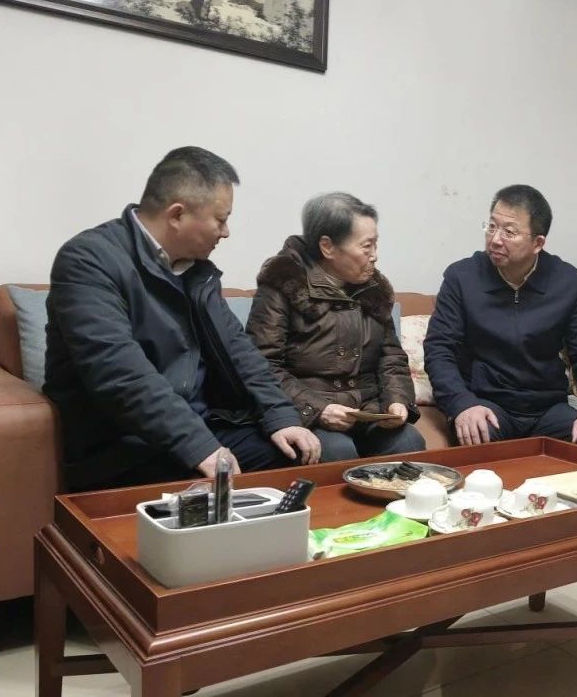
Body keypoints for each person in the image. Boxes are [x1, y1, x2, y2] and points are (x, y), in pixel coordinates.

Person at [44, 146, 320, 491]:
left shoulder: (195, 271)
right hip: (126, 443)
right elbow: (119, 371)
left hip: (202, 426)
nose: (226, 232)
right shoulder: (88, 260)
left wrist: (281, 416)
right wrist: (199, 447)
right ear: (177, 215)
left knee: (304, 455)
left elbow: (240, 351)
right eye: (221, 219)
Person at [424, 184, 577, 450]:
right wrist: (462, 403)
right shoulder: (462, 277)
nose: (495, 239)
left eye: (509, 232)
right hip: (486, 405)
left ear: (538, 243)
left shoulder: (567, 281)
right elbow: (439, 349)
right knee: (478, 437)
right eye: (492, 226)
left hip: (547, 408)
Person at [246, 192, 425, 461]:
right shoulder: (283, 283)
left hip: (367, 410)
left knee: (409, 441)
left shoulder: (374, 288)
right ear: (327, 247)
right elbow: (262, 365)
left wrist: (396, 401)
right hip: (307, 414)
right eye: (366, 246)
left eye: (376, 244)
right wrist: (319, 409)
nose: (375, 256)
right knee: (337, 451)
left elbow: (391, 357)